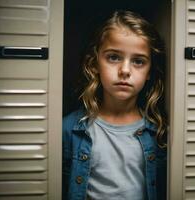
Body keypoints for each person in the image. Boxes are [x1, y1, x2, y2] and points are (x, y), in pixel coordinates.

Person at [63, 10, 168, 200]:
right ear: (94, 63)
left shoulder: (159, 133)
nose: (125, 71)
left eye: (138, 61)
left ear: (150, 72)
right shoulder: (69, 129)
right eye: (113, 57)